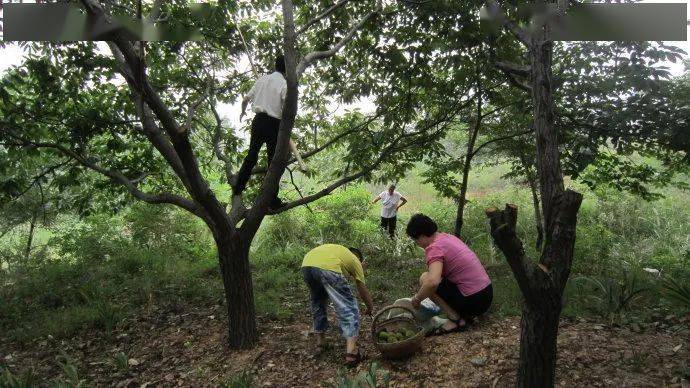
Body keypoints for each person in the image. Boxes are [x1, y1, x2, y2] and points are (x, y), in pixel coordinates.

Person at [406, 213, 492, 335]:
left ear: (422, 235)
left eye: (416, 240)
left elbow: (433, 282)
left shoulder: (434, 247)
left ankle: (455, 320)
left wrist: (417, 299)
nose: (418, 244)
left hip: (475, 301)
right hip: (486, 294)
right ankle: (464, 315)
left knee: (425, 278)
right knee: (434, 279)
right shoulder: (447, 237)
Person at [301, 244, 374, 366]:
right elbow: (362, 290)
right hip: (327, 267)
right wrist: (370, 307)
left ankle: (320, 343)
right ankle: (352, 354)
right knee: (349, 308)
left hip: (307, 265)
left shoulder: (339, 252)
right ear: (360, 259)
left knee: (318, 302)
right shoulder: (355, 261)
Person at [235, 54, 288, 209]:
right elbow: (286, 108)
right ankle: (271, 200)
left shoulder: (262, 79)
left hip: (258, 121)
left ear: (275, 65)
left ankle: (238, 187)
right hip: (274, 124)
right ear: (287, 69)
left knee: (252, 155)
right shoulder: (284, 84)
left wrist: (243, 112)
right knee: (274, 162)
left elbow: (245, 99)